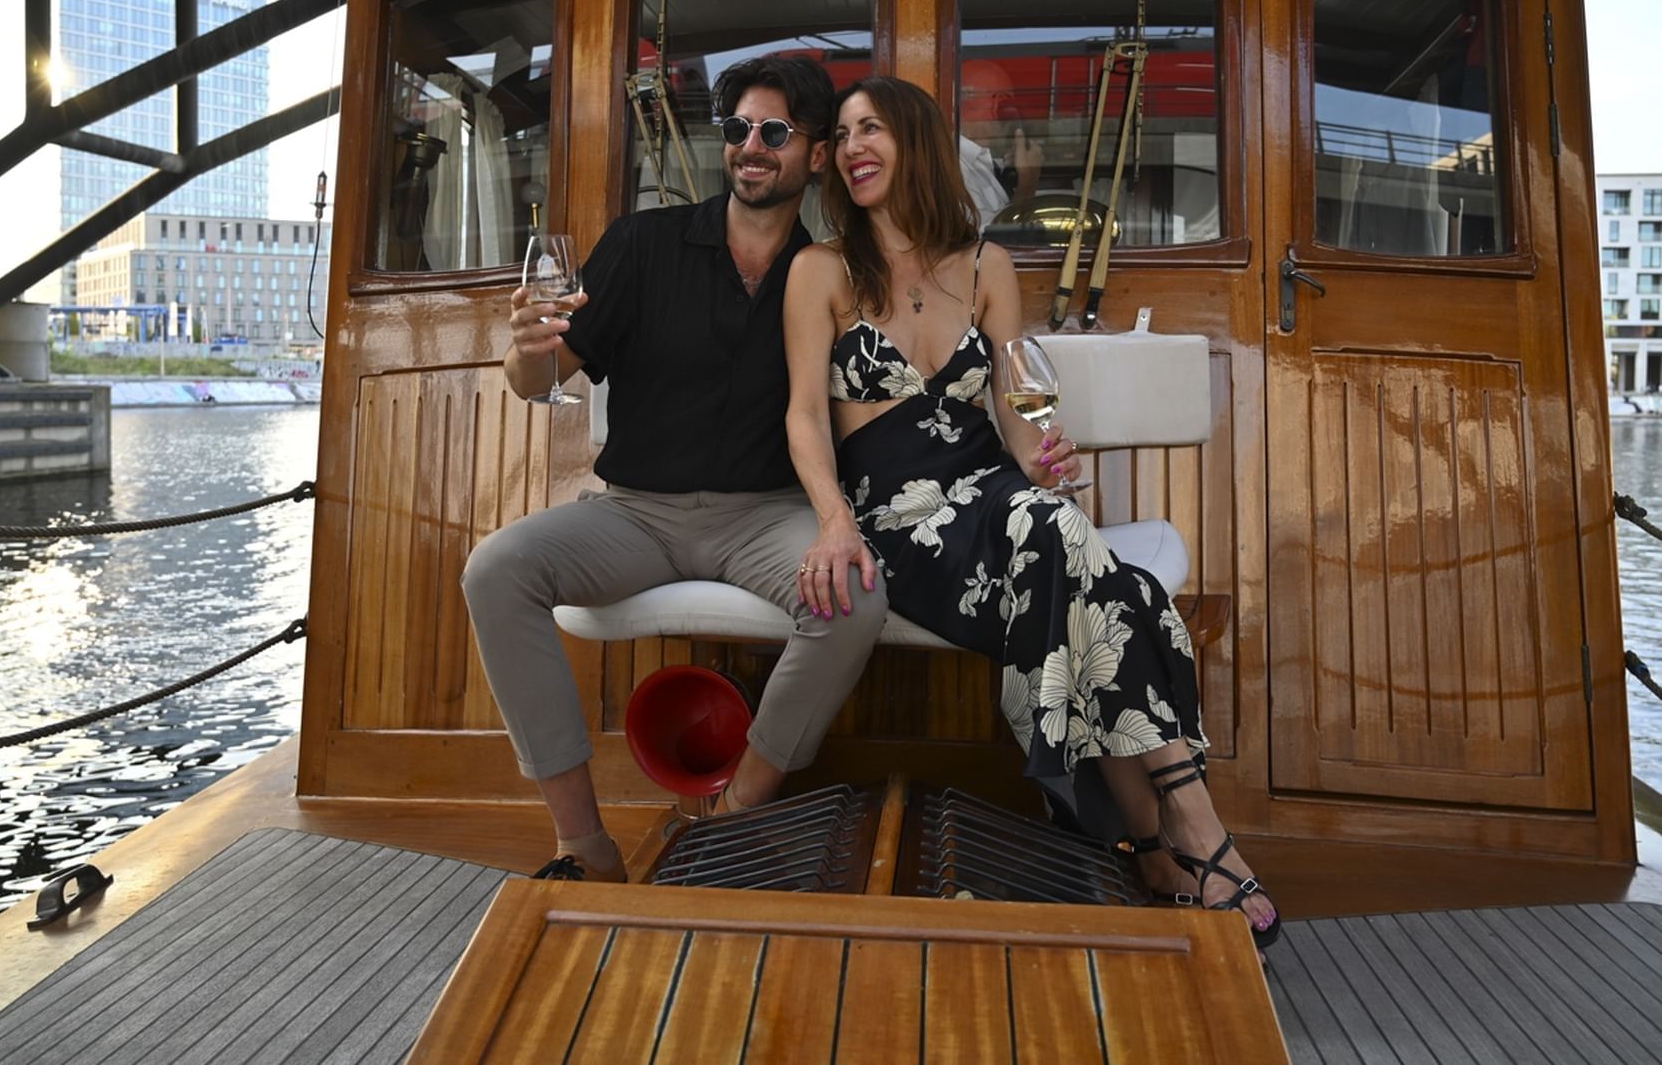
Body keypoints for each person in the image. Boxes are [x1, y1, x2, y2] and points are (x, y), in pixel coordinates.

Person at [782, 75, 1280, 946]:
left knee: (1082, 554)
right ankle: (1182, 825)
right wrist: (833, 519)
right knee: (1107, 573)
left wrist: (1042, 454)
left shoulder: (986, 265)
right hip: (903, 522)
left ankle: (1151, 840)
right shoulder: (820, 269)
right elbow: (800, 415)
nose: (853, 145)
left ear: (916, 141)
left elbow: (1016, 407)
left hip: (996, 496)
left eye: (873, 128)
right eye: (844, 133)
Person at [462, 56, 888, 884]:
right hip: (635, 513)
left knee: (856, 598)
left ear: (813, 156)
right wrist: (525, 350)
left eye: (774, 132)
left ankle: (736, 817)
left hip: (767, 513)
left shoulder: (831, 270)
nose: (750, 147)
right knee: (496, 568)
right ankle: (583, 844)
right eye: (736, 130)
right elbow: (542, 381)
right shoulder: (641, 243)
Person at [957, 59, 1042, 223]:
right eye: (1007, 105)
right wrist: (1028, 183)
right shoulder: (956, 169)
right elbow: (991, 239)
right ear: (996, 108)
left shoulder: (982, 162)